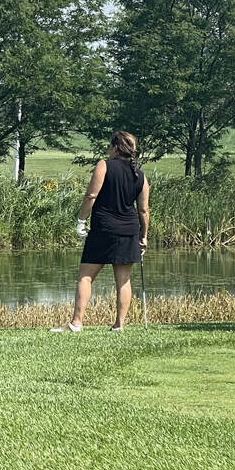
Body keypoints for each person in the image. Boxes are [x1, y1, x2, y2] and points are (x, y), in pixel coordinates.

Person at [52, 131, 150, 333]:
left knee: (85, 276)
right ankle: (119, 325)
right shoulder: (140, 175)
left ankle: (77, 323)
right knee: (123, 279)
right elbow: (144, 210)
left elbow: (91, 196)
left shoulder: (104, 165)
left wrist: (81, 220)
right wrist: (144, 236)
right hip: (129, 230)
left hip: (104, 229)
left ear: (115, 147)